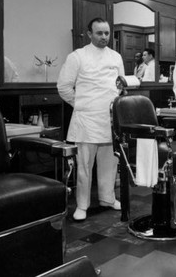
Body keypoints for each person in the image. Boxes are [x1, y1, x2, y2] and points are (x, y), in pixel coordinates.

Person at [57, 17, 125, 221]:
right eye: (99, 33)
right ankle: (82, 205)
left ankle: (107, 198)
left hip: (110, 118)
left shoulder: (116, 56)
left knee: (110, 162)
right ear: (89, 34)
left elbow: (121, 85)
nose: (104, 37)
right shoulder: (77, 56)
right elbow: (64, 87)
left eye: (107, 33)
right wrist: (81, 105)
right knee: (84, 165)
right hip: (86, 119)